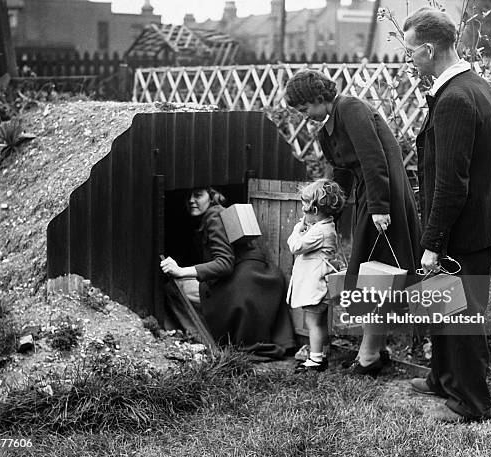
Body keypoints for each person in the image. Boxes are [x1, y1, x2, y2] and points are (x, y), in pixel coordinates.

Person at [403, 7, 491, 422]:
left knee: (463, 314)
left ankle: (471, 403)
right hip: (481, 219)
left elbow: (452, 183)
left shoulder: (455, 98)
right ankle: (442, 377)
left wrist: (433, 244)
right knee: (441, 302)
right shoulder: (476, 85)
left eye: (411, 51)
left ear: (430, 49)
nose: (410, 59)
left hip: (467, 227)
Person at [284, 70, 422, 377]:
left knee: (378, 273)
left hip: (385, 198)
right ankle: (375, 350)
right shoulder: (326, 132)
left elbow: (375, 160)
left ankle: (369, 354)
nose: (304, 116)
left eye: (305, 108)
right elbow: (341, 179)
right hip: (368, 199)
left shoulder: (351, 109)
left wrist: (380, 207)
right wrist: (325, 215)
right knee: (375, 276)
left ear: (318, 97)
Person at [160, 188, 295, 359]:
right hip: (260, 280)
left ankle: (208, 342)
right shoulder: (218, 214)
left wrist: (180, 271)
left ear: (212, 196)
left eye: (198, 195)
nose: (191, 200)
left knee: (174, 289)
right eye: (188, 196)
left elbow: (224, 264)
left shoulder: (214, 217)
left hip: (247, 284)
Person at [287, 179, 346, 372]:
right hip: (319, 283)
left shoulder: (320, 231)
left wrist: (298, 228)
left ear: (314, 211)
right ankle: (319, 355)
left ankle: (315, 360)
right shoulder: (325, 226)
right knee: (318, 323)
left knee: (313, 323)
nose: (302, 210)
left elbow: (295, 246)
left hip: (316, 285)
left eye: (304, 207)